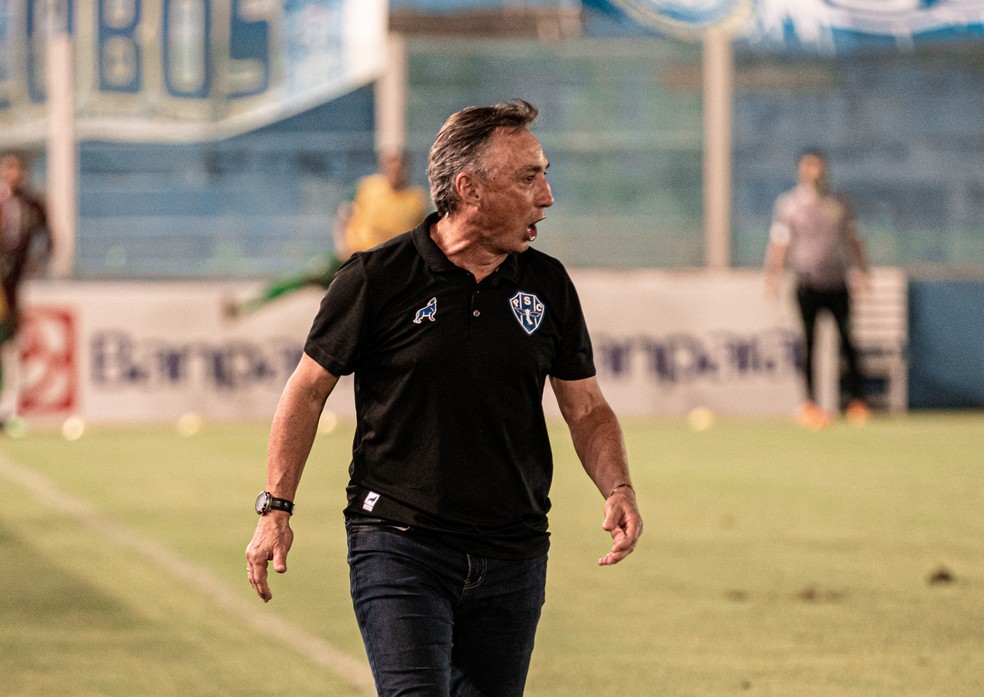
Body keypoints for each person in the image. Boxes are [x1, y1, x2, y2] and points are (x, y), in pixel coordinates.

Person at [246, 99, 644, 697]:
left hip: (515, 550)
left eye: (545, 174)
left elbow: (585, 407)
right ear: (469, 189)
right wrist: (275, 506)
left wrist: (618, 488)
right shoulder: (376, 279)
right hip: (399, 543)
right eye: (528, 177)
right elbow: (306, 390)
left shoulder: (548, 285)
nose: (547, 196)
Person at [224, 150, 429, 318]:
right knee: (302, 277)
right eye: (390, 165)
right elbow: (342, 215)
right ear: (383, 167)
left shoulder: (416, 200)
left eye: (399, 166)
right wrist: (343, 246)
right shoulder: (367, 187)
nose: (395, 171)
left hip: (386, 269)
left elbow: (420, 237)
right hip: (352, 259)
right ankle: (246, 304)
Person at [764, 148, 870, 428]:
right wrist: (772, 277)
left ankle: (857, 402)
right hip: (806, 285)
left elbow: (853, 238)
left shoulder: (839, 203)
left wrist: (863, 270)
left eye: (819, 167)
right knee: (809, 345)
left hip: (837, 284)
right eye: (809, 167)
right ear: (801, 170)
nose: (815, 172)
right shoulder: (789, 204)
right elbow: (780, 243)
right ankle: (810, 404)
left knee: (848, 344)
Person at [0, 152, 53, 421]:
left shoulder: (32, 204)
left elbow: (49, 236)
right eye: (7, 169)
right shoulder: (2, 203)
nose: (13, 174)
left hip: (12, 286)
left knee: (11, 345)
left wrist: (40, 262)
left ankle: (9, 409)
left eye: (16, 169)